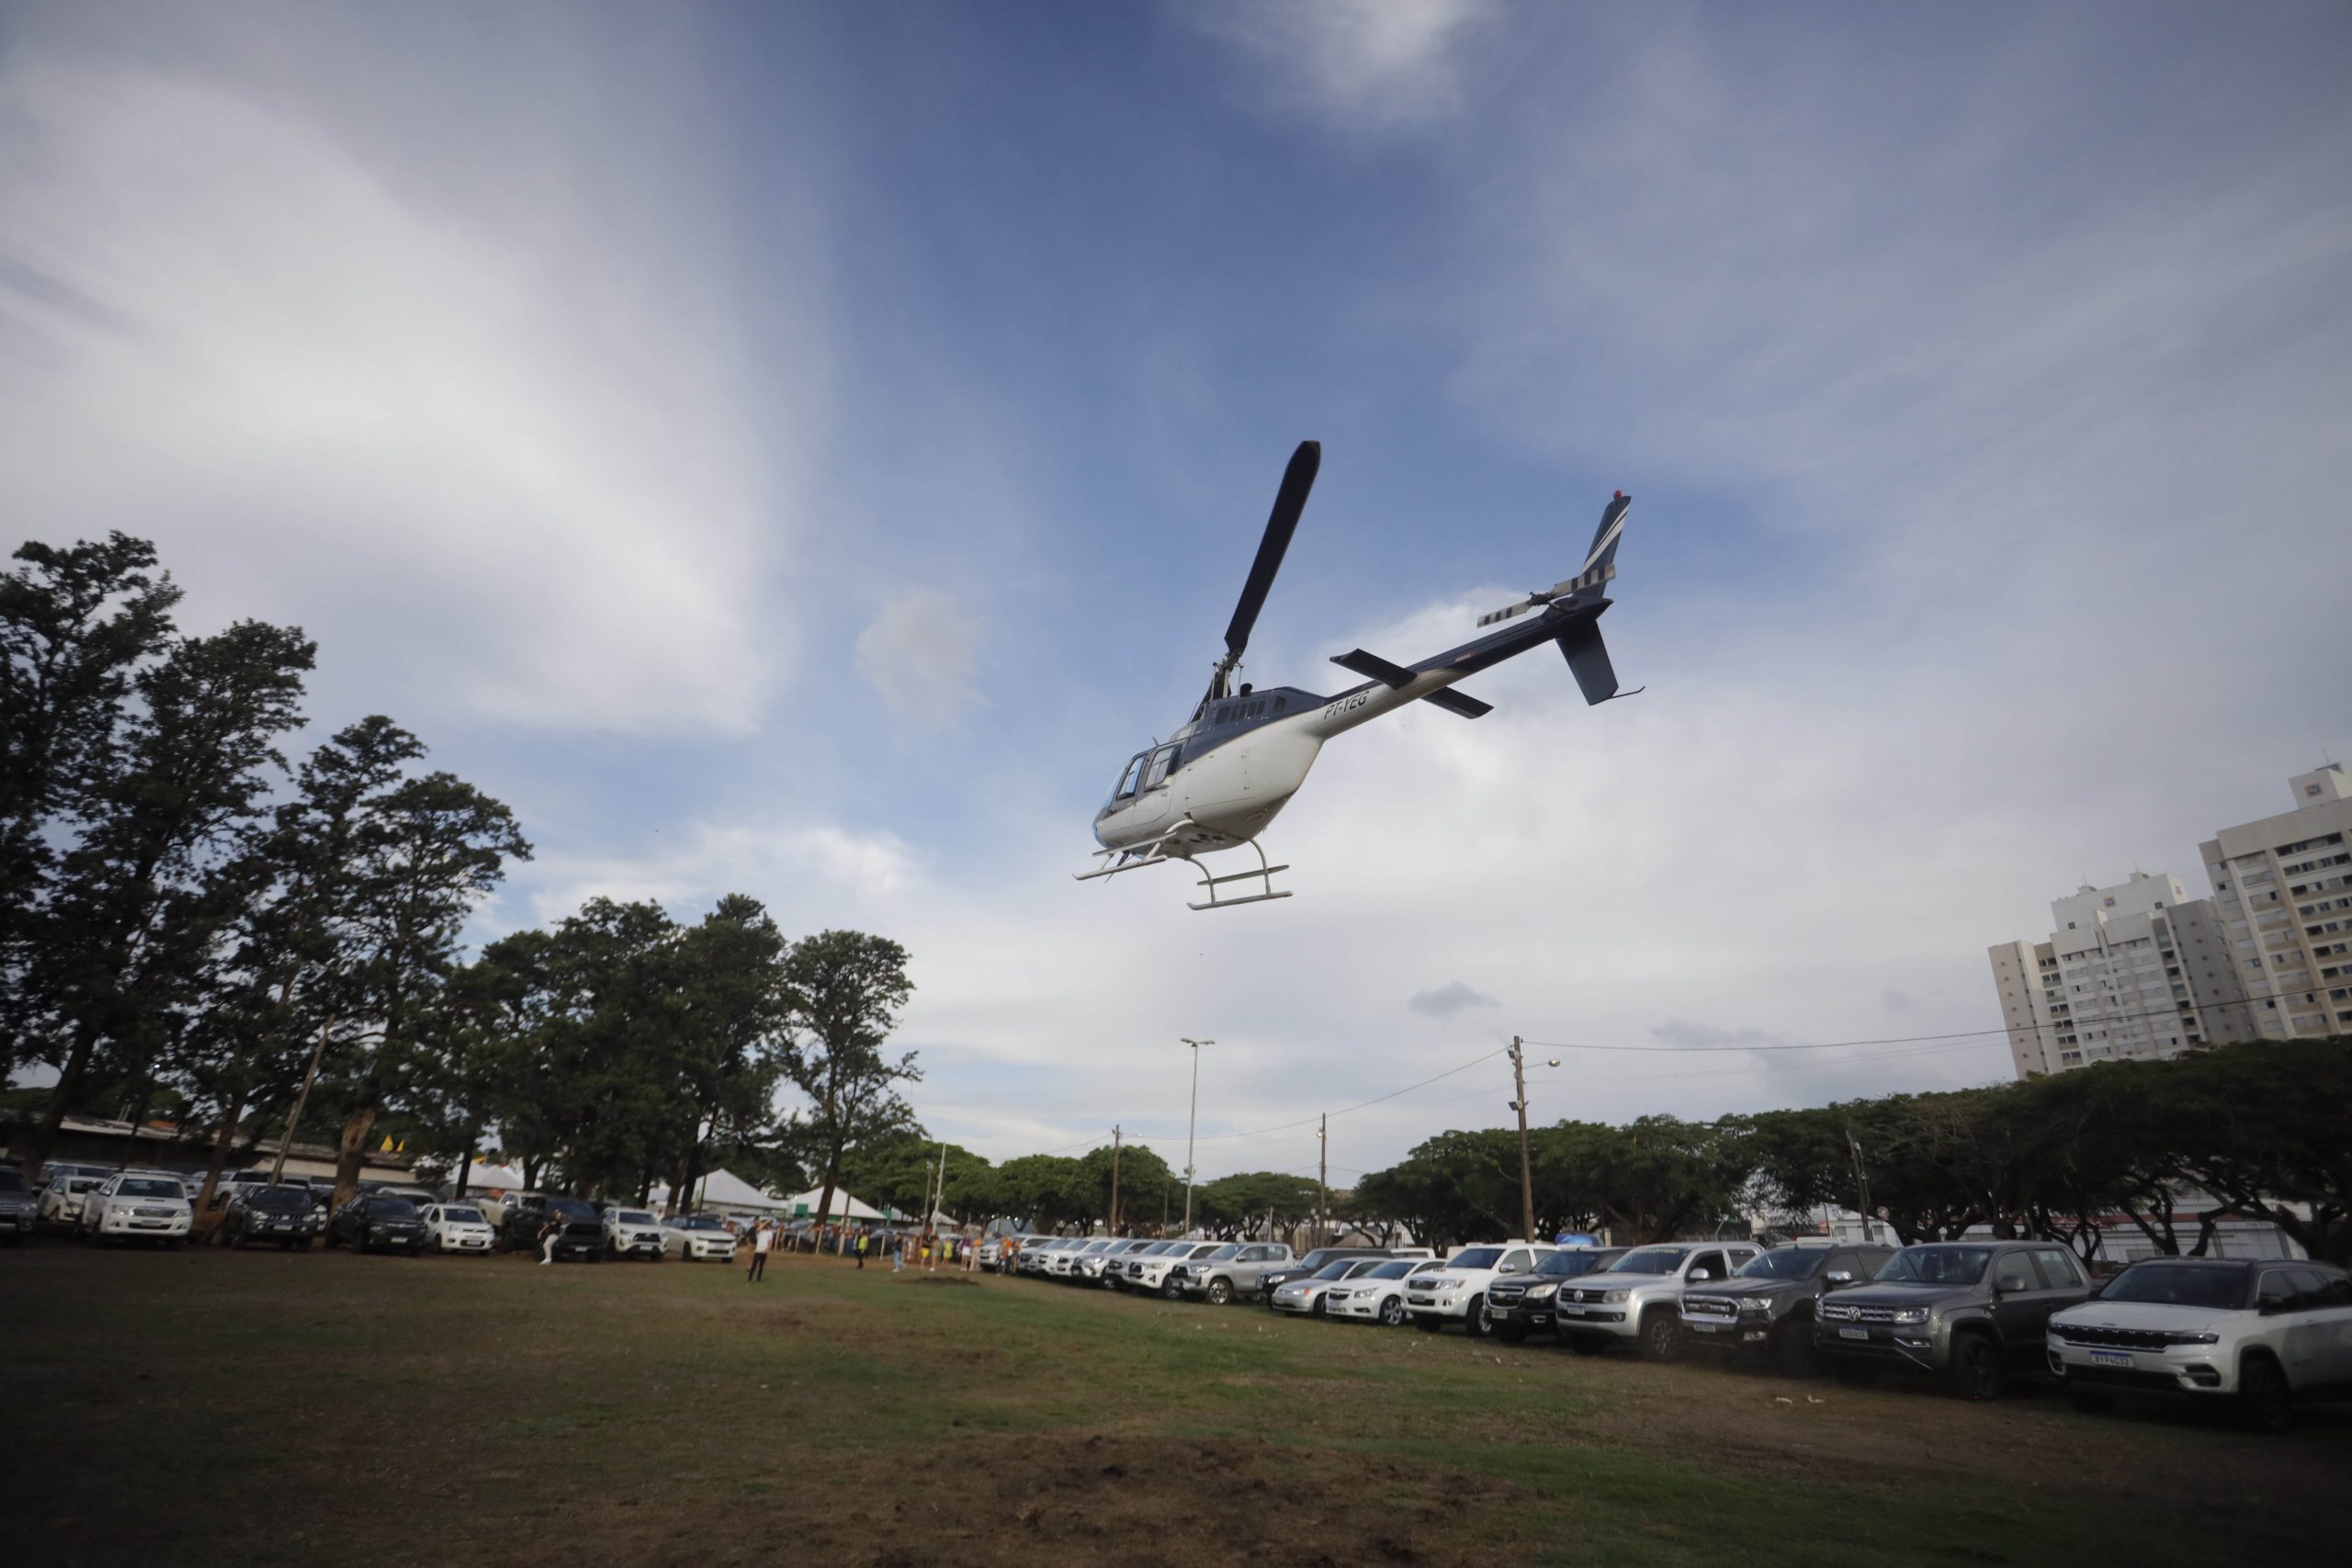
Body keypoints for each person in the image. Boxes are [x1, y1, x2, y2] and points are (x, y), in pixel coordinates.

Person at [747, 1218, 772, 1283]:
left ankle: (758, 1279)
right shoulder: (759, 1232)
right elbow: (759, 1228)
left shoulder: (769, 1233)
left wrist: (766, 1250)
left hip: (764, 1252)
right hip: (758, 1251)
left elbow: (770, 1243)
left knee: (761, 1266)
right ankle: (749, 1279)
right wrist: (766, 1222)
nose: (766, 1226)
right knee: (753, 1266)